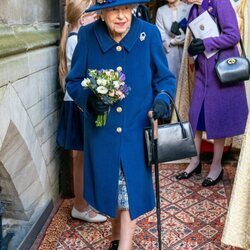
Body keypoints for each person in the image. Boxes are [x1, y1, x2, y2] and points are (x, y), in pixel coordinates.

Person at [65, 0, 176, 248]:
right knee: (113, 191)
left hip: (136, 131)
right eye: (115, 9)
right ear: (102, 12)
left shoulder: (149, 35)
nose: (122, 16)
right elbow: (73, 82)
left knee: (128, 193)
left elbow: (165, 79)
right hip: (101, 134)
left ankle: (123, 246)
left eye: (126, 8)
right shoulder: (87, 35)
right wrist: (89, 100)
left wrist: (162, 100)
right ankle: (116, 239)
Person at [175, 0, 248, 186]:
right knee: (195, 116)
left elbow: (233, 35)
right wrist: (193, 50)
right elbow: (196, 40)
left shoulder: (220, 2)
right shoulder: (194, 9)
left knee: (218, 118)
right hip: (203, 71)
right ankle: (195, 161)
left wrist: (206, 43)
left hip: (220, 70)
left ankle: (216, 166)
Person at [57, 0, 107, 223]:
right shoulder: (78, 40)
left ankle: (84, 201)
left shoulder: (75, 38)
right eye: (94, 15)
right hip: (78, 103)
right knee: (81, 157)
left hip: (76, 103)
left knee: (82, 157)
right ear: (83, 18)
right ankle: (80, 205)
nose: (98, 18)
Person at [156, 0, 191, 79]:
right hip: (170, 52)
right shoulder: (161, 11)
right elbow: (160, 33)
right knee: (172, 80)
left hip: (186, 51)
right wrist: (172, 42)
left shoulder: (189, 8)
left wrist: (186, 38)